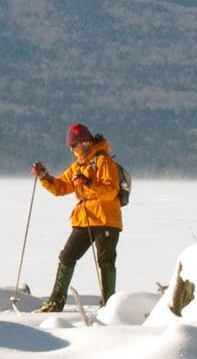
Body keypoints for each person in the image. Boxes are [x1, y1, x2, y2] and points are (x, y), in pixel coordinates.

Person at [31, 123, 122, 313]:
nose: (72, 149)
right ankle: (55, 302)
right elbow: (61, 187)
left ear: (85, 142)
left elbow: (111, 190)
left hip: (106, 217)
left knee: (105, 261)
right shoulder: (79, 165)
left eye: (74, 145)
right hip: (85, 218)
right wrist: (44, 176)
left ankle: (109, 306)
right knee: (67, 256)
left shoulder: (103, 160)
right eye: (70, 146)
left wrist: (88, 183)